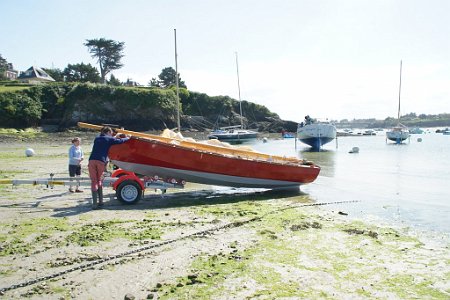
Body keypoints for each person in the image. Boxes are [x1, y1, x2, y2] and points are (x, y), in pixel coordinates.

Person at [88, 126, 130, 209]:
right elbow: (120, 141)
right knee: (99, 180)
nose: (111, 134)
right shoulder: (109, 139)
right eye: (111, 133)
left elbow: (109, 139)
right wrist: (128, 138)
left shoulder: (97, 139)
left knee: (93, 181)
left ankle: (95, 204)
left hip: (91, 160)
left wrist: (117, 135)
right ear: (108, 132)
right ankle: (100, 202)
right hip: (101, 161)